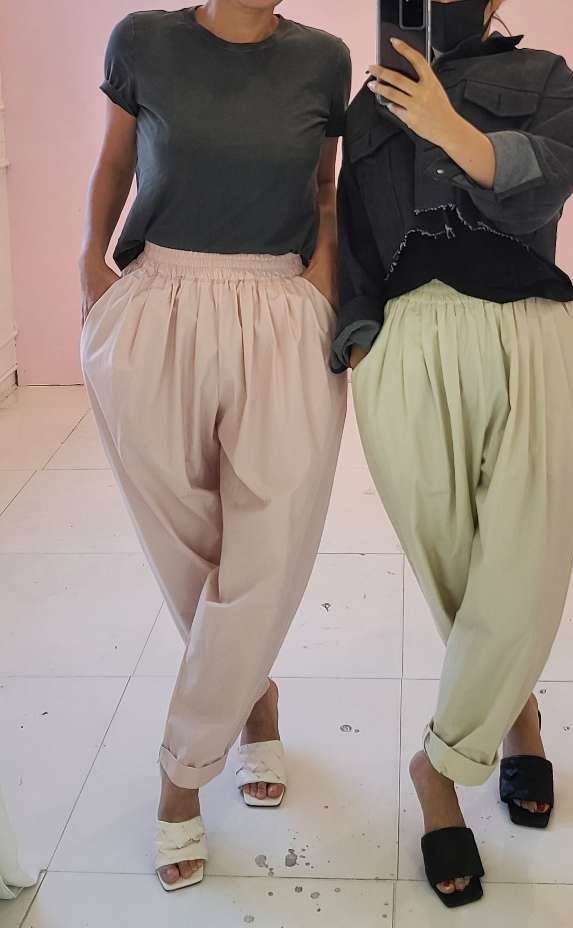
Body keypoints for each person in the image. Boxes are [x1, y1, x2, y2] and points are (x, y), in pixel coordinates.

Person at [79, 1, 351, 892]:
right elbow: (115, 162)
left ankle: (182, 774)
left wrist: (321, 282)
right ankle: (253, 697)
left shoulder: (323, 58)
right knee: (188, 545)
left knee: (266, 546)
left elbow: (325, 187)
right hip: (158, 300)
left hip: (281, 306)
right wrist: (91, 266)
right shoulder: (143, 40)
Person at [334, 0, 573, 908]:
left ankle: (439, 767)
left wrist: (449, 126)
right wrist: (362, 339)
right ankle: (517, 716)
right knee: (451, 563)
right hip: (406, 344)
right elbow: (353, 236)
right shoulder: (368, 103)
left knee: (525, 561)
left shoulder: (544, 76)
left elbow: (546, 188)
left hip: (526, 326)